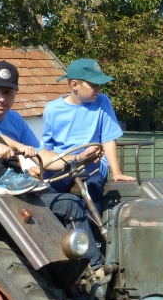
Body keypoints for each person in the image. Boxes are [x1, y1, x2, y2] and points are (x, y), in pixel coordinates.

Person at [0, 60, 103, 269]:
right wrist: (22, 174)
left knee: (70, 201)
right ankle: (90, 270)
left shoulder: (15, 119)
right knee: (68, 203)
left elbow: (43, 157)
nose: (1, 98)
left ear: (15, 94)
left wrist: (78, 158)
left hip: (15, 189)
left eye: (8, 92)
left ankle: (89, 267)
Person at [42, 59, 134, 209]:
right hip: (64, 163)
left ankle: (95, 230)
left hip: (93, 163)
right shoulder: (52, 109)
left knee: (91, 186)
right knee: (47, 191)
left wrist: (116, 172)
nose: (98, 88)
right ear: (74, 85)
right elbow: (48, 147)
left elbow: (108, 139)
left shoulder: (103, 102)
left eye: (99, 85)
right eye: (93, 85)